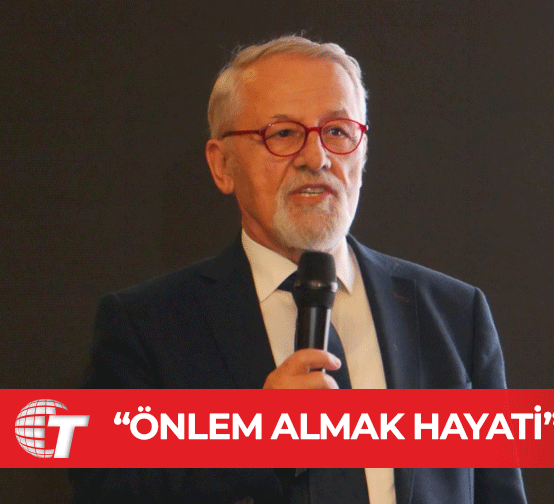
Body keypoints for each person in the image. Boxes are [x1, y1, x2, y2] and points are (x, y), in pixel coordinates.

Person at [72, 35, 527, 504]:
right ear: (222, 165)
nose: (316, 158)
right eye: (284, 133)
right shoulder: (148, 328)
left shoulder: (454, 315)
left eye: (338, 131)